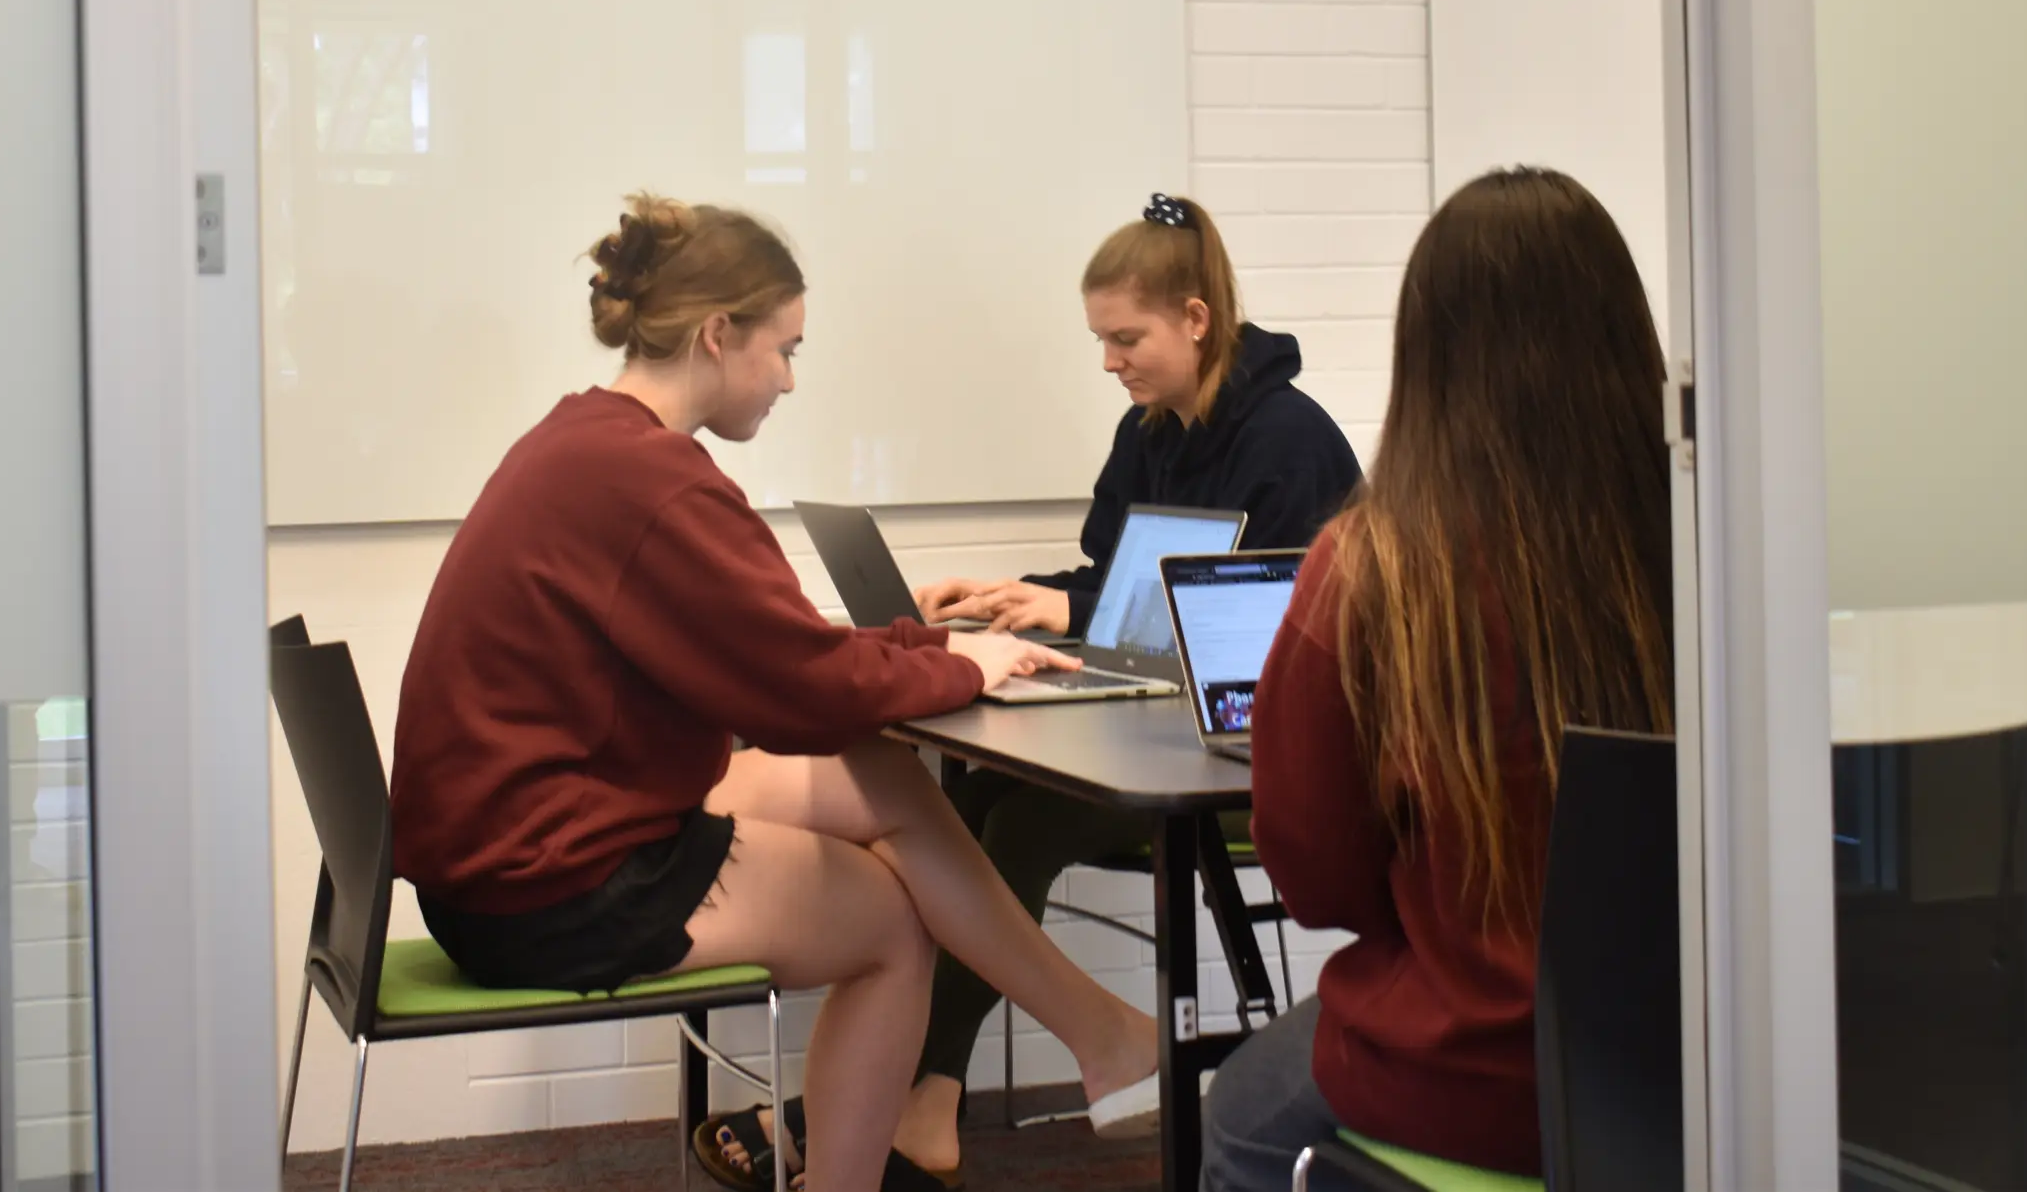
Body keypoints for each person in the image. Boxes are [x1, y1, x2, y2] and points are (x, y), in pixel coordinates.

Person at [389, 195, 1162, 1192]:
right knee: (891, 925)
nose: (791, 379)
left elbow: (763, 651)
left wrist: (922, 643)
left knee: (879, 779)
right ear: (718, 334)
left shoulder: (589, 444)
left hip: (513, 852)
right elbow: (794, 694)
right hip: (550, 885)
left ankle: (1100, 1034)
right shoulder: (651, 482)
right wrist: (966, 665)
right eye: (785, 350)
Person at [1199, 168, 1675, 1192]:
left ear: (1429, 356)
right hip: (1704, 1066)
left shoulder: (1374, 571)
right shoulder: (1705, 547)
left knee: (1238, 1118)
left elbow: (1317, 882)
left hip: (1477, 1079)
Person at [893, 193, 1363, 1178]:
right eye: (1100, 339)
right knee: (974, 794)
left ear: (1196, 319)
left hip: (1254, 760)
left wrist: (1078, 613)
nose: (1109, 361)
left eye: (1125, 337)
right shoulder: (1147, 430)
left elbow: (1253, 628)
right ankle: (923, 1093)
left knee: (1016, 826)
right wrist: (1024, 597)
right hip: (1161, 730)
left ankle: (923, 1094)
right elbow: (1120, 586)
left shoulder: (1290, 442)